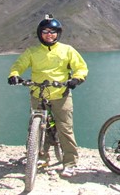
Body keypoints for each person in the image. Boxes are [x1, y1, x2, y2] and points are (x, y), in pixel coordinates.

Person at [7, 14, 88, 178]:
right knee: (35, 128)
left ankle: (70, 163)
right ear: (40, 33)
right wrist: (14, 74)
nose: (49, 34)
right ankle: (41, 157)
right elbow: (19, 64)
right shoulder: (32, 51)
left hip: (60, 94)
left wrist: (77, 78)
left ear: (58, 33)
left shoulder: (67, 50)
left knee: (65, 128)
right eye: (45, 31)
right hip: (38, 93)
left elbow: (80, 67)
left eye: (53, 31)